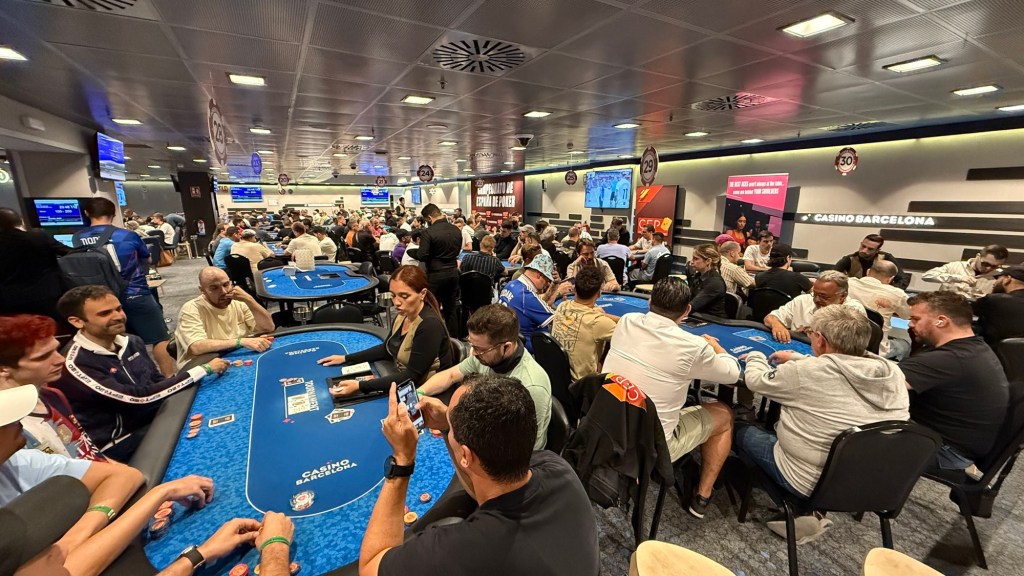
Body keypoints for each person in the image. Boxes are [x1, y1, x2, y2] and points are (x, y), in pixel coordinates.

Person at [358, 375, 598, 576]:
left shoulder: (460, 549)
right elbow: (484, 484)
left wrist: (402, 461)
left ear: (466, 454)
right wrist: (448, 426)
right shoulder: (558, 467)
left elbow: (370, 567)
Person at [738, 305, 910, 543]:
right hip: (875, 481)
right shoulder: (892, 372)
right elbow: (844, 367)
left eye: (811, 333)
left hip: (808, 481)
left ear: (819, 339)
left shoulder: (805, 372)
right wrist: (798, 358)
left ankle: (798, 506)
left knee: (739, 427)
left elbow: (756, 380)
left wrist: (755, 357)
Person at [602, 277, 738, 518]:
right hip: (652, 446)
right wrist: (716, 347)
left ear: (650, 302)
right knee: (725, 413)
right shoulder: (694, 346)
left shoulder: (627, 321)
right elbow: (732, 374)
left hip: (606, 428)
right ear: (686, 311)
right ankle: (702, 496)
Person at [55, 285, 230, 460]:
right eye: (105, 313)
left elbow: (156, 380)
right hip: (119, 443)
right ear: (77, 321)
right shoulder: (74, 364)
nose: (118, 316)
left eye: (118, 309)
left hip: (153, 418)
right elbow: (136, 398)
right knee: (206, 445)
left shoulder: (132, 341)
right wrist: (202, 370)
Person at [900, 291, 1009, 470]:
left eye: (915, 319)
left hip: (944, 451)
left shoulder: (949, 359)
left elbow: (879, 386)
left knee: (854, 418)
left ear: (941, 321)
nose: (910, 324)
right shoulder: (974, 348)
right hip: (956, 443)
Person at [417, 305, 552, 449]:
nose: (473, 353)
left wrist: (449, 421)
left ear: (506, 347)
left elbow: (521, 452)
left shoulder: (531, 386)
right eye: (471, 345)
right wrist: (419, 394)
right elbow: (450, 375)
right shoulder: (486, 356)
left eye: (479, 349)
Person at [317, 266, 455, 396]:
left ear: (422, 294)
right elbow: (387, 348)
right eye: (393, 295)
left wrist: (360, 386)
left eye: (404, 296)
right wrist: (346, 358)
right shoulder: (403, 315)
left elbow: (411, 376)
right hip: (403, 379)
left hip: (427, 392)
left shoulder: (429, 325)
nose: (397, 302)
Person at [75, 198, 174, 377]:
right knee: (160, 338)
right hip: (135, 293)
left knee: (112, 343)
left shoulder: (77, 238)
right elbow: (147, 259)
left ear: (87, 213)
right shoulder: (128, 235)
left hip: (100, 300)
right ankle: (169, 379)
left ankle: (128, 381)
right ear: (114, 214)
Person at [0, 314, 106, 461]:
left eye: (56, 350)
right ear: (2, 369)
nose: (60, 359)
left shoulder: (53, 395)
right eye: (43, 357)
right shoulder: (6, 429)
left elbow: (88, 452)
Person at [173, 267, 275, 369]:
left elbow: (268, 328)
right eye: (214, 288)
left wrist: (249, 300)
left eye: (226, 285)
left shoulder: (239, 302)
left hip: (236, 358)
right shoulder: (191, 309)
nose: (223, 291)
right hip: (203, 367)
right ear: (202, 290)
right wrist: (241, 341)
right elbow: (197, 346)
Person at [0, 207, 70, 323]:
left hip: (10, 301)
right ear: (21, 221)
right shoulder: (38, 237)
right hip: (47, 296)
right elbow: (67, 252)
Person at [551, 266, 619, 380]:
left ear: (575, 289)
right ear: (599, 293)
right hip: (580, 384)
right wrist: (605, 316)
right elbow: (628, 327)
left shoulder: (562, 305)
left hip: (557, 375)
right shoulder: (599, 322)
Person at [764, 271, 867, 343]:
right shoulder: (803, 300)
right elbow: (770, 318)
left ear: (842, 296)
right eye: (815, 294)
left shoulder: (854, 310)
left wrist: (812, 333)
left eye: (823, 296)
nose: (816, 299)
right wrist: (777, 325)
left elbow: (845, 343)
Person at [501, 254, 571, 350]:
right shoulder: (527, 297)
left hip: (510, 340)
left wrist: (555, 284)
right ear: (539, 275)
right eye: (547, 280)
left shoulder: (511, 285)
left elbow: (542, 303)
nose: (546, 284)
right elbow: (558, 322)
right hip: (529, 348)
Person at [847, 260, 911, 359]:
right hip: (877, 350)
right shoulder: (897, 294)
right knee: (906, 343)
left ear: (868, 272)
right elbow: (908, 315)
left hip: (846, 340)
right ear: (890, 279)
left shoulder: (847, 283)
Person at [418, 204, 463, 333]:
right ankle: (453, 340)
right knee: (451, 310)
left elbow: (422, 256)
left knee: (432, 309)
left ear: (429, 218)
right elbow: (458, 250)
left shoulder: (428, 232)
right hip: (453, 273)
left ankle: (435, 337)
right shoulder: (456, 230)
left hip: (435, 275)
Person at [923, 244, 1009, 299]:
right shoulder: (956, 266)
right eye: (985, 264)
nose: (988, 268)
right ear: (978, 256)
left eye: (994, 266)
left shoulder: (999, 277)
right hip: (943, 310)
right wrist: (958, 278)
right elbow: (927, 276)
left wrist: (984, 298)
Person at [973, 265, 1024, 346]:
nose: (995, 282)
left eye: (998, 278)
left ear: (1007, 279)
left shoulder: (994, 300)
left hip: (992, 351)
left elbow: (965, 311)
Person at [833, 234, 905, 287]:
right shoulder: (849, 259)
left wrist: (891, 291)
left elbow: (903, 278)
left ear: (877, 250)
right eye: (863, 246)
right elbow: (832, 276)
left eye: (870, 249)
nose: (864, 251)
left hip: (879, 293)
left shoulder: (886, 257)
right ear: (861, 244)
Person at [687, 243, 728, 318]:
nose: (691, 262)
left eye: (696, 259)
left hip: (712, 320)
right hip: (698, 316)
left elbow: (692, 306)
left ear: (708, 261)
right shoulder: (697, 276)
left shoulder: (715, 283)